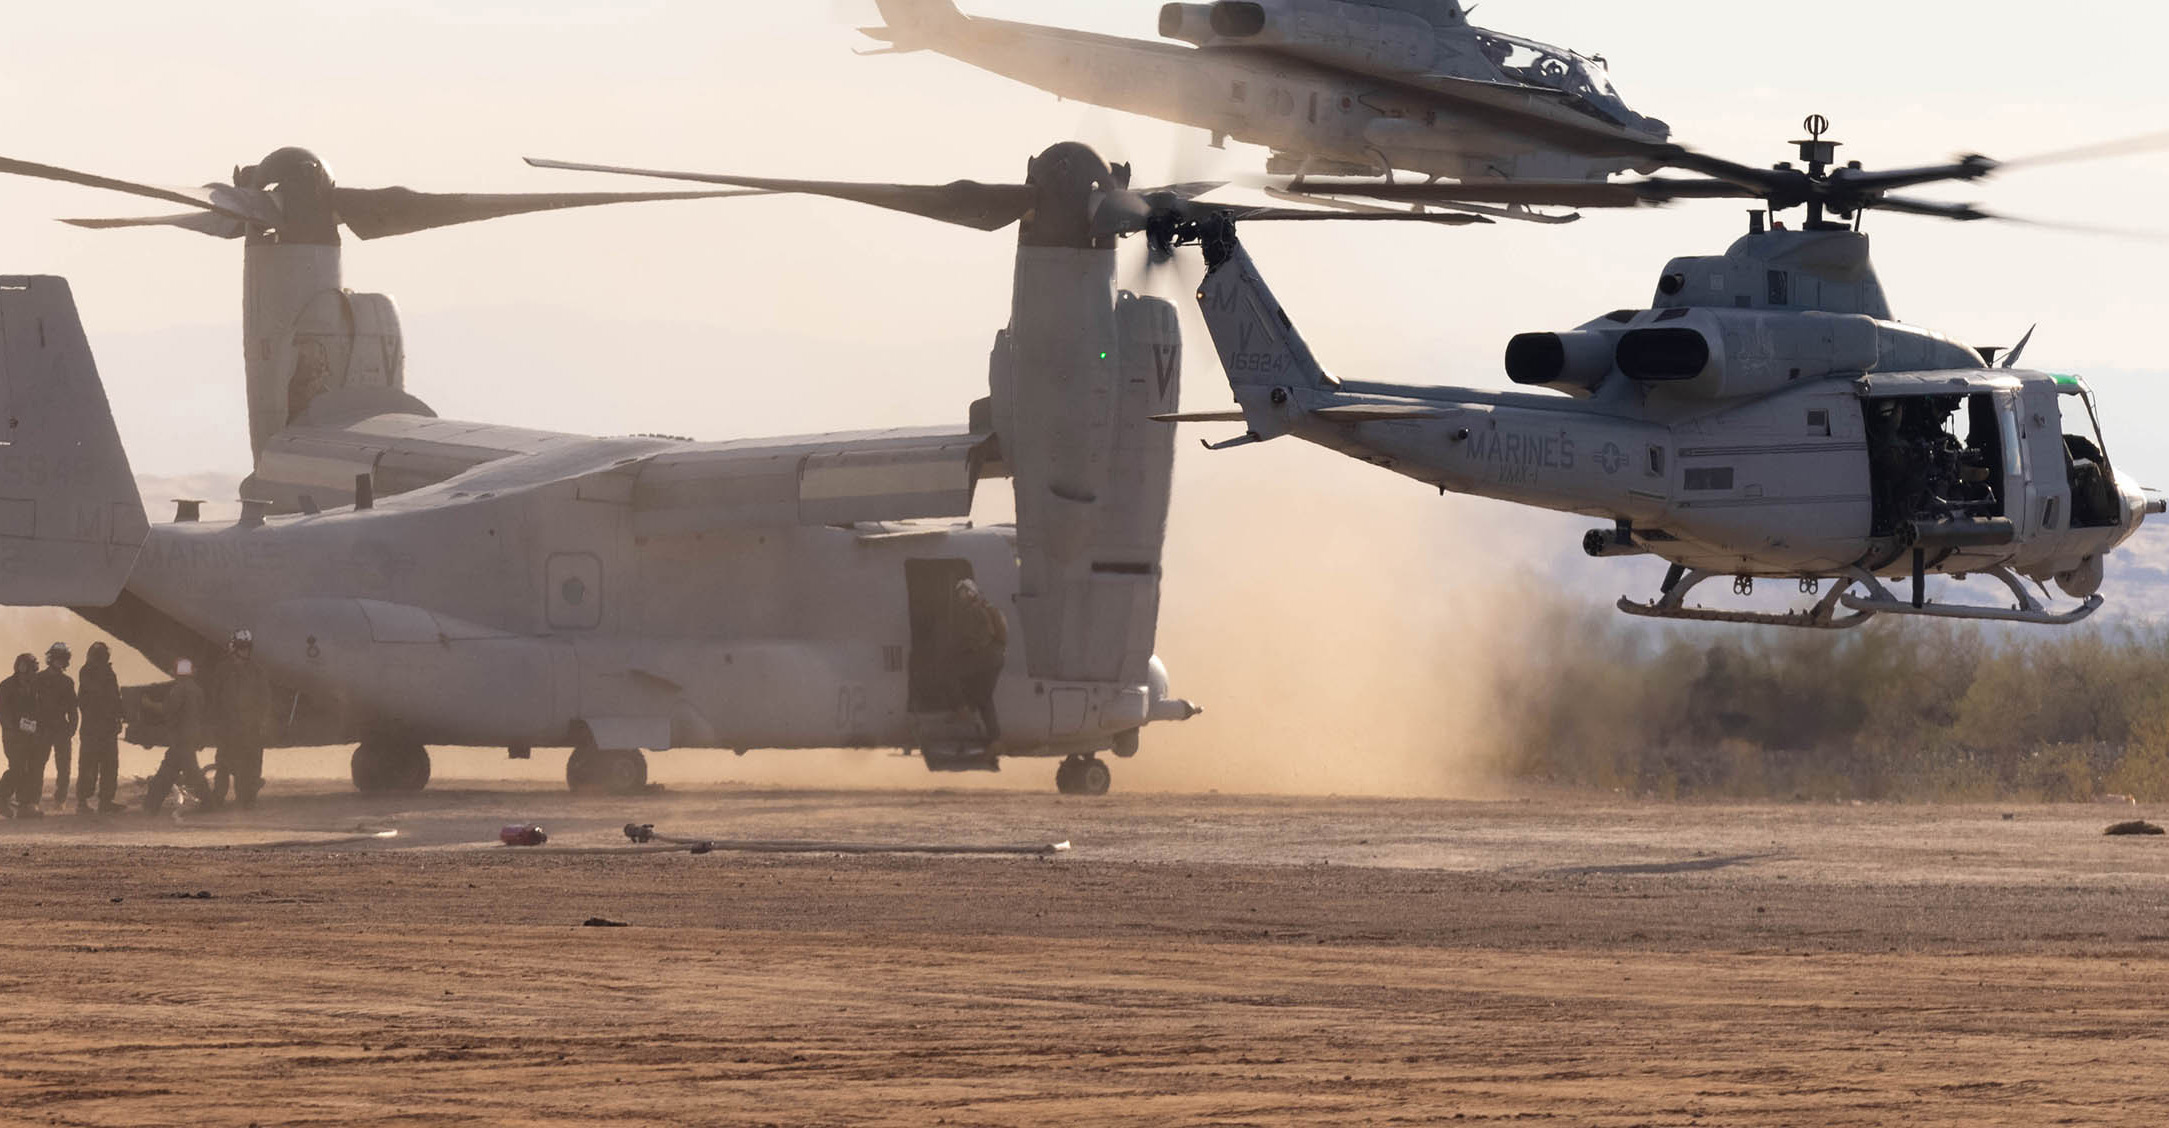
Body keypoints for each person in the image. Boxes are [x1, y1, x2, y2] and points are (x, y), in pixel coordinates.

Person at [208, 629, 273, 809]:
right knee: (223, 764)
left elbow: (264, 699)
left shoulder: (257, 671)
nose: (244, 651)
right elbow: (215, 697)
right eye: (241, 647)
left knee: (248, 765)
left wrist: (262, 721)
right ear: (234, 647)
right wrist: (216, 723)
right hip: (228, 726)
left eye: (247, 647)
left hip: (249, 728)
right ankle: (218, 798)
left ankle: (246, 799)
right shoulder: (223, 669)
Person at [142, 658, 212, 816]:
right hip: (190, 737)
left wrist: (149, 705)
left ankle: (151, 806)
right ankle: (208, 803)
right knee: (187, 771)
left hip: (180, 739)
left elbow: (167, 709)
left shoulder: (179, 690)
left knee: (167, 773)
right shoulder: (197, 690)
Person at [947, 579, 1008, 742]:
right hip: (996, 658)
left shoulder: (974, 611)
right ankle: (994, 739)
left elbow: (979, 637)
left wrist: (966, 650)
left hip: (985, 656)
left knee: (950, 672)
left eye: (961, 594)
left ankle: (963, 709)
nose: (960, 597)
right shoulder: (989, 608)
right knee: (984, 697)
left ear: (969, 593)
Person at [74, 642, 123, 815]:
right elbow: (96, 697)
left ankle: (105, 801)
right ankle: (83, 802)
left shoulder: (107, 673)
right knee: (89, 765)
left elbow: (114, 698)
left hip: (105, 727)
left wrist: (117, 718)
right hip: (94, 728)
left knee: (109, 765)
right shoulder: (88, 672)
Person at [0, 654, 43, 817]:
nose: (33, 673)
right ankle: (2, 798)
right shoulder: (6, 686)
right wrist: (16, 727)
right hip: (13, 736)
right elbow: (3, 712)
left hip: (30, 735)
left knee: (29, 768)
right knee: (17, 768)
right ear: (22, 668)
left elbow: (37, 708)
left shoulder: (34, 686)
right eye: (31, 669)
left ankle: (25, 806)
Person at [36, 642, 78, 807]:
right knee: (38, 764)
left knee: (64, 766)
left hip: (61, 728)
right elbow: (31, 705)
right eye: (57, 658)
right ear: (51, 658)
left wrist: (71, 729)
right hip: (42, 728)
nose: (59, 661)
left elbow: (73, 709)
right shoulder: (38, 679)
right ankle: (34, 799)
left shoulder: (68, 682)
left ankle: (60, 800)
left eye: (63, 658)